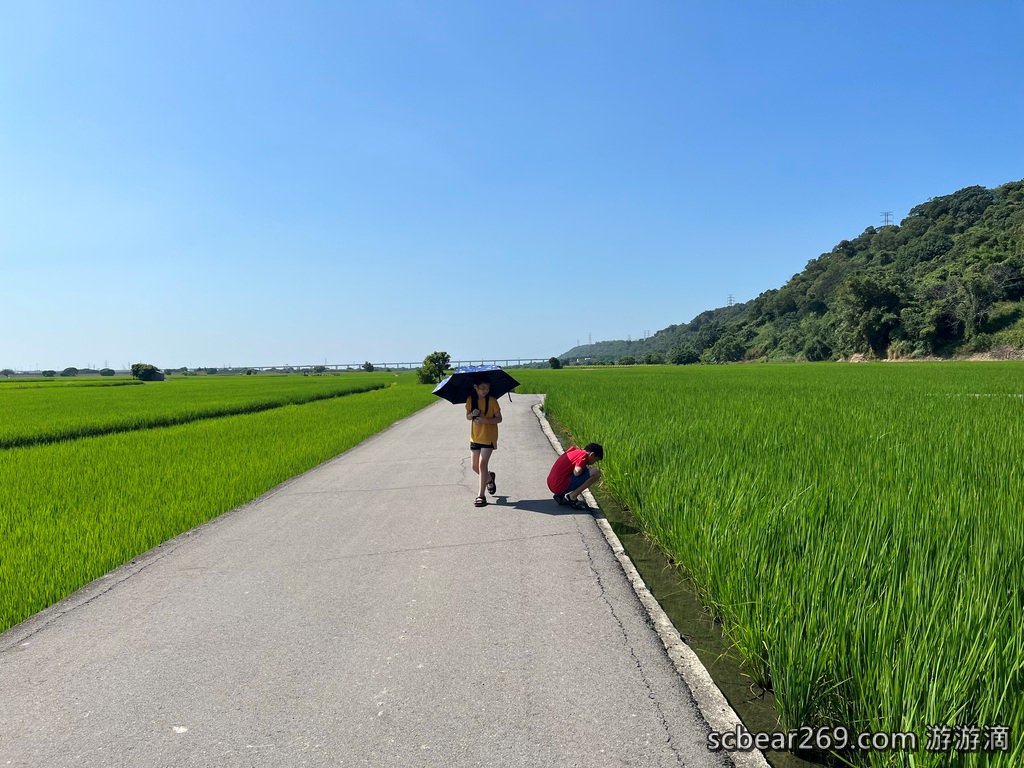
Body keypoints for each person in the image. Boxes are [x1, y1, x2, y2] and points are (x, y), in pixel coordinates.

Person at [467, 376, 502, 507]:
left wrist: (485, 420)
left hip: (489, 437)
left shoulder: (493, 401)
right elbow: (467, 416)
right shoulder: (471, 400)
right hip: (475, 437)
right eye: (482, 388)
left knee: (482, 465)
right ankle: (489, 478)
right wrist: (472, 414)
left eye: (487, 388)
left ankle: (481, 495)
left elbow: (499, 419)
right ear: (475, 387)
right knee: (474, 467)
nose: (485, 391)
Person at [547, 442, 603, 510]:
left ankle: (560, 495)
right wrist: (585, 469)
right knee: (596, 472)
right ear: (592, 455)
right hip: (558, 486)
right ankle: (572, 497)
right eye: (595, 460)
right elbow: (577, 472)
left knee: (583, 471)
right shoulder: (584, 456)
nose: (594, 462)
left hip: (551, 483)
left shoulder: (574, 451)